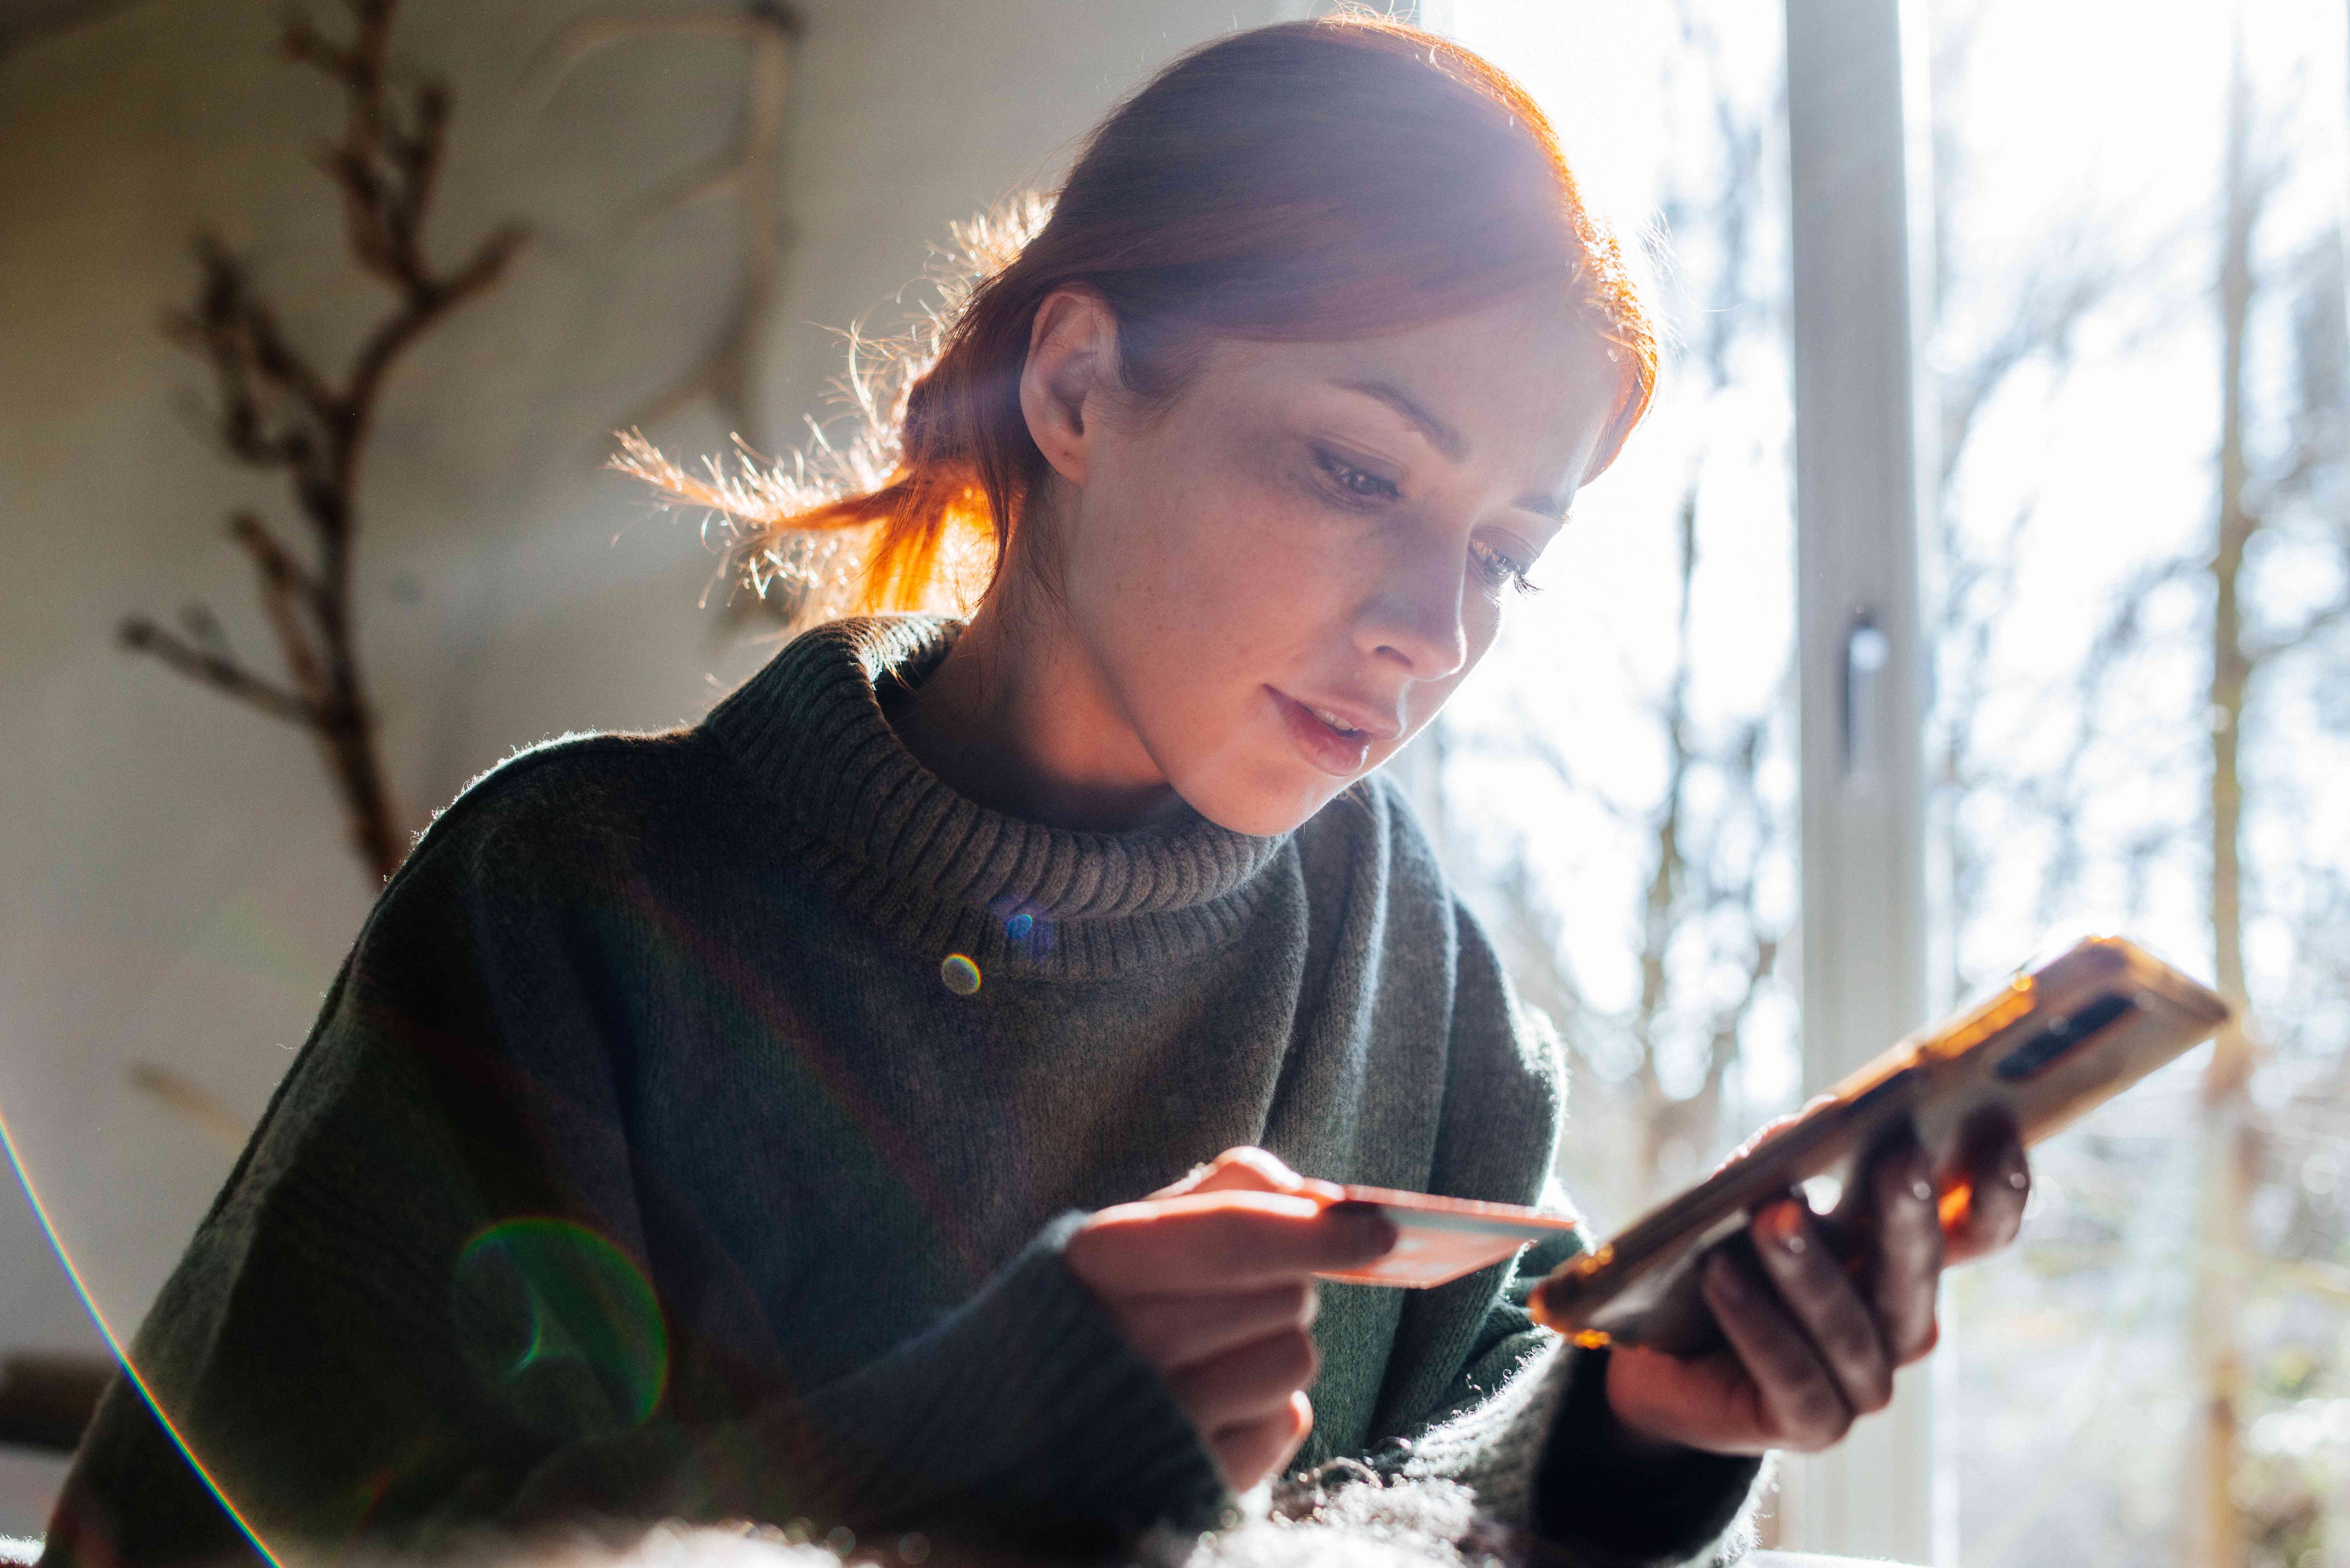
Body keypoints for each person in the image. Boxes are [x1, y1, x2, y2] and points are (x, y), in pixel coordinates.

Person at [43, 16, 2028, 1568]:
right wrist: (976, 1453)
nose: (1437, 625)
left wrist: (1633, 1434)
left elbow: (1453, 1514)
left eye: (1509, 548)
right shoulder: (576, 899)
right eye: (1358, 472)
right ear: (1076, 390)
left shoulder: (1417, 972)